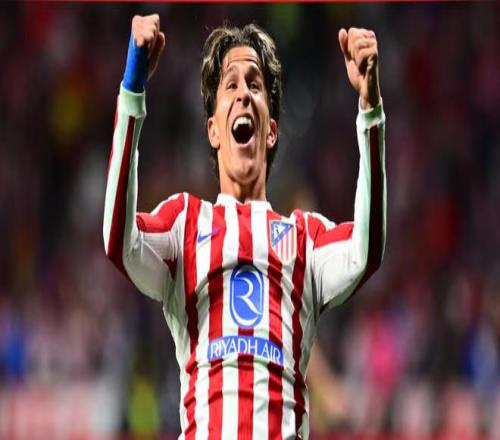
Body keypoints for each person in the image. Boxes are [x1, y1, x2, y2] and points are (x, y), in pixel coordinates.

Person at [103, 13, 386, 440]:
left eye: (255, 85)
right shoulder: (184, 224)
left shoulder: (305, 238)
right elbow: (117, 238)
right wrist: (133, 87)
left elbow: (367, 249)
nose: (244, 95)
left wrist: (370, 110)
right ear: (213, 130)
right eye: (230, 85)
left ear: (271, 131)